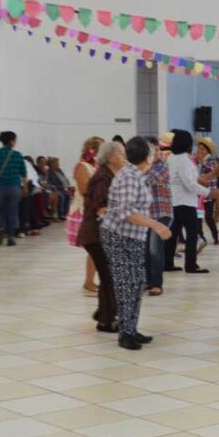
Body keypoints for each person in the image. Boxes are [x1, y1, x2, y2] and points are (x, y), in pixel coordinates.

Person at [101, 137, 172, 351]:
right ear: (147, 156)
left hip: (132, 236)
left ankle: (131, 327)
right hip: (120, 236)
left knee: (137, 283)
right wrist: (156, 226)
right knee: (126, 284)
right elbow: (126, 212)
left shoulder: (135, 175)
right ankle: (126, 333)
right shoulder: (130, 177)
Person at [77, 142, 125, 334]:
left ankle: (103, 313)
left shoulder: (109, 175)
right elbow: (100, 206)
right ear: (112, 157)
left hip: (100, 233)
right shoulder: (103, 177)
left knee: (108, 276)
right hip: (95, 234)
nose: (124, 158)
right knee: (109, 277)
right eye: (121, 154)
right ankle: (105, 321)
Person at [165, 129, 219, 273]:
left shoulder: (171, 158)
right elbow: (190, 183)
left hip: (174, 201)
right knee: (192, 234)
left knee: (173, 234)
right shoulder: (184, 160)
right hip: (186, 202)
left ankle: (167, 263)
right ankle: (190, 265)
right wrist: (209, 192)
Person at [70, 137, 104, 297]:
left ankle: (90, 280)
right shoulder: (82, 166)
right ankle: (88, 282)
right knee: (94, 248)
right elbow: (84, 190)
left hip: (94, 211)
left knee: (96, 248)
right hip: (84, 211)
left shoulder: (96, 166)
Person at [0, 131, 27, 246]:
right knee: (12, 211)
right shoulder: (17, 155)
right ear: (11, 141)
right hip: (14, 187)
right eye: (15, 140)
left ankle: (0, 230)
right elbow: (23, 173)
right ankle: (11, 236)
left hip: (0, 187)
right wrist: (25, 188)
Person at [144, 136, 173, 297]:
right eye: (149, 150)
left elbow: (151, 179)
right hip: (146, 214)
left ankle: (157, 284)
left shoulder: (163, 165)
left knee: (155, 249)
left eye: (155, 149)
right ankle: (148, 281)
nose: (153, 153)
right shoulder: (142, 166)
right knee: (145, 249)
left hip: (162, 212)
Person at [196, 136, 219, 246]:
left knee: (208, 217)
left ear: (207, 149)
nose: (200, 151)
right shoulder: (199, 161)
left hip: (209, 192)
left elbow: (212, 176)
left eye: (203, 149)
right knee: (199, 216)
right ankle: (201, 237)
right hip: (199, 193)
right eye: (199, 148)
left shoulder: (211, 160)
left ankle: (216, 236)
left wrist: (200, 178)